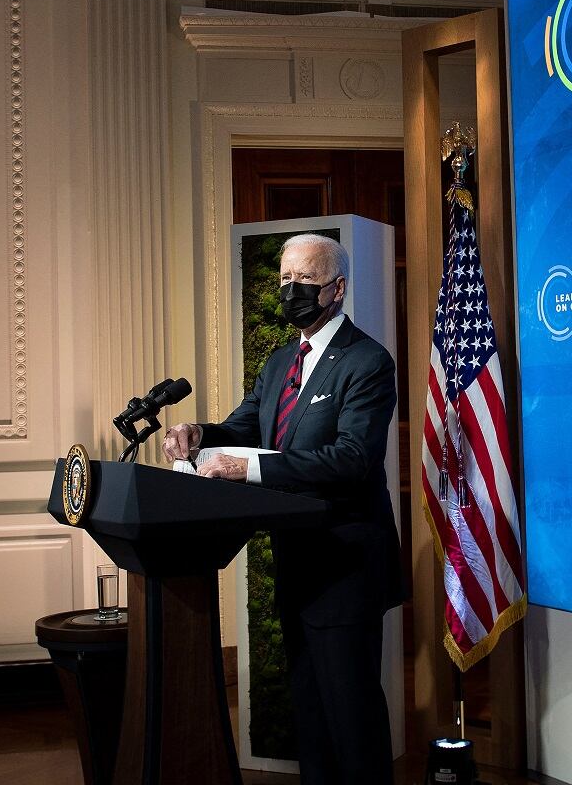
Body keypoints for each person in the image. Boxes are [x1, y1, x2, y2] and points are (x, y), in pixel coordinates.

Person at [162, 233, 401, 785]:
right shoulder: (278, 363)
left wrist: (244, 469)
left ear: (336, 290)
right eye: (284, 281)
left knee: (352, 719)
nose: (290, 291)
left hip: (345, 570)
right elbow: (246, 426)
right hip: (297, 565)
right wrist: (201, 433)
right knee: (311, 718)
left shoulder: (367, 361)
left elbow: (351, 459)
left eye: (304, 283)